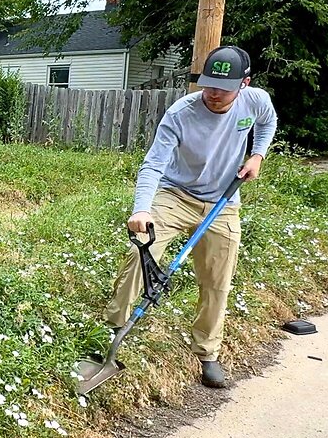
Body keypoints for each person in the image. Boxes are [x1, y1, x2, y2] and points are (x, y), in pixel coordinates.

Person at [103, 45, 277, 388]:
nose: (213, 94)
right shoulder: (181, 113)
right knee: (140, 251)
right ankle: (111, 329)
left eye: (223, 89)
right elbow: (154, 163)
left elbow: (268, 123)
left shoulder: (255, 101)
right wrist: (141, 208)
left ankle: (208, 352)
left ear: (245, 83)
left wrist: (257, 155)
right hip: (176, 194)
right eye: (208, 85)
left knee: (217, 280)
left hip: (222, 202)